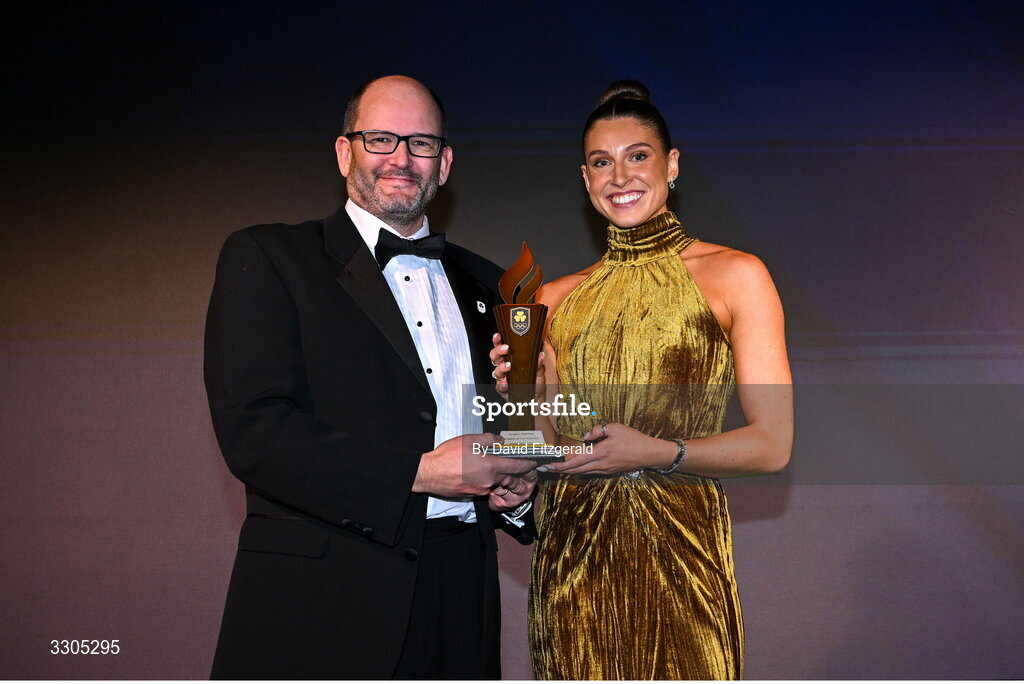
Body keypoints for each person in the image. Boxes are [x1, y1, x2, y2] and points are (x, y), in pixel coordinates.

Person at [204, 75, 537, 679]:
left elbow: (505, 428)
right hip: (324, 600)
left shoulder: (492, 284)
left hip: (461, 593)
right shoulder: (270, 257)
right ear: (344, 151)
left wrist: (516, 494)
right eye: (381, 139)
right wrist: (422, 471)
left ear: (446, 162)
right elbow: (255, 433)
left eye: (421, 143)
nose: (401, 159)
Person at [491, 80, 793, 679]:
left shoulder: (736, 275)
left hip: (682, 559)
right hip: (572, 566)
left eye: (638, 155)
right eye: (602, 162)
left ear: (672, 164)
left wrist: (658, 452)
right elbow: (551, 448)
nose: (619, 175)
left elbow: (773, 444)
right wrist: (524, 401)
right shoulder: (552, 298)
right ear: (584, 179)